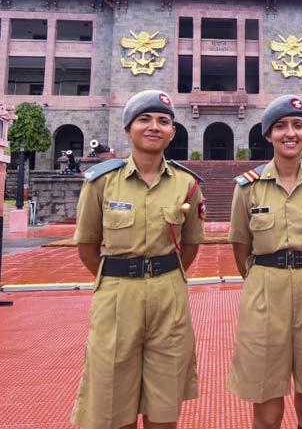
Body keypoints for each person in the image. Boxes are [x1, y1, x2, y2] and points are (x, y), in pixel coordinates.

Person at [71, 90, 205, 429]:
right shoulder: (102, 182)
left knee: (164, 406)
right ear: (128, 129)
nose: (154, 126)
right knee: (114, 404)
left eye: (163, 121)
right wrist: (122, 276)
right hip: (117, 295)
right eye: (144, 119)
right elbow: (87, 246)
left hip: (168, 296)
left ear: (173, 132)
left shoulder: (187, 184)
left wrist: (160, 275)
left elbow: (191, 245)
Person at [227, 94, 302, 429]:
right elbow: (241, 248)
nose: (290, 133)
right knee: (267, 413)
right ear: (268, 134)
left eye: (297, 125)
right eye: (281, 126)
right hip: (266, 291)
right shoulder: (248, 189)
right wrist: (266, 278)